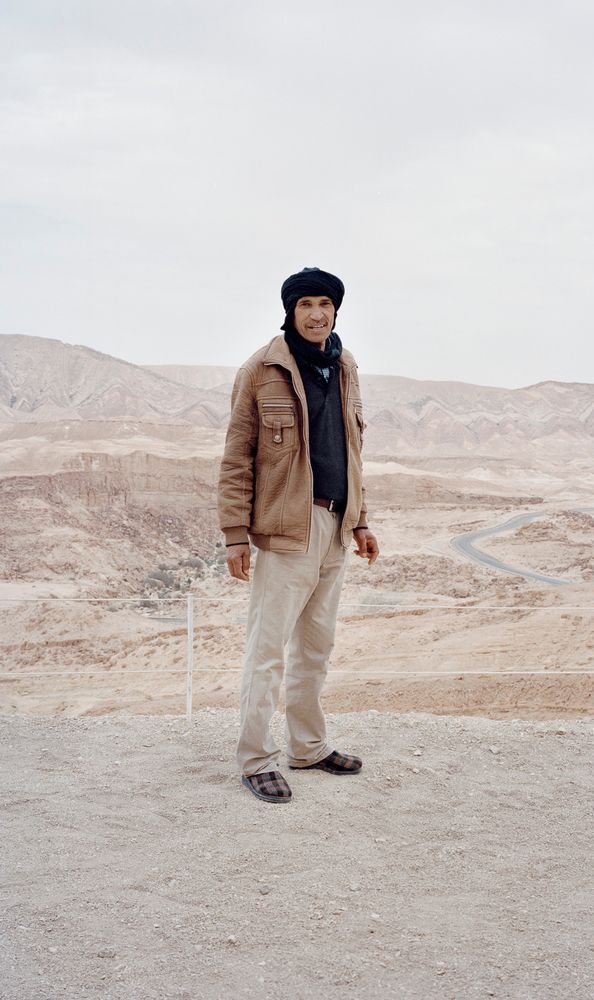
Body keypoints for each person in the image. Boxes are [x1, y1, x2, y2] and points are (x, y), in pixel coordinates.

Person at [218, 266, 379, 804]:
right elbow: (237, 456)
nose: (316, 314)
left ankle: (308, 746)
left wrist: (360, 519)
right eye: (306, 304)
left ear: (336, 310)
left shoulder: (346, 365)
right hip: (289, 527)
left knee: (316, 646)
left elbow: (352, 451)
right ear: (290, 310)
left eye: (325, 305)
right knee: (268, 650)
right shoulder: (262, 369)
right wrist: (235, 533)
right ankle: (255, 757)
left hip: (336, 525)